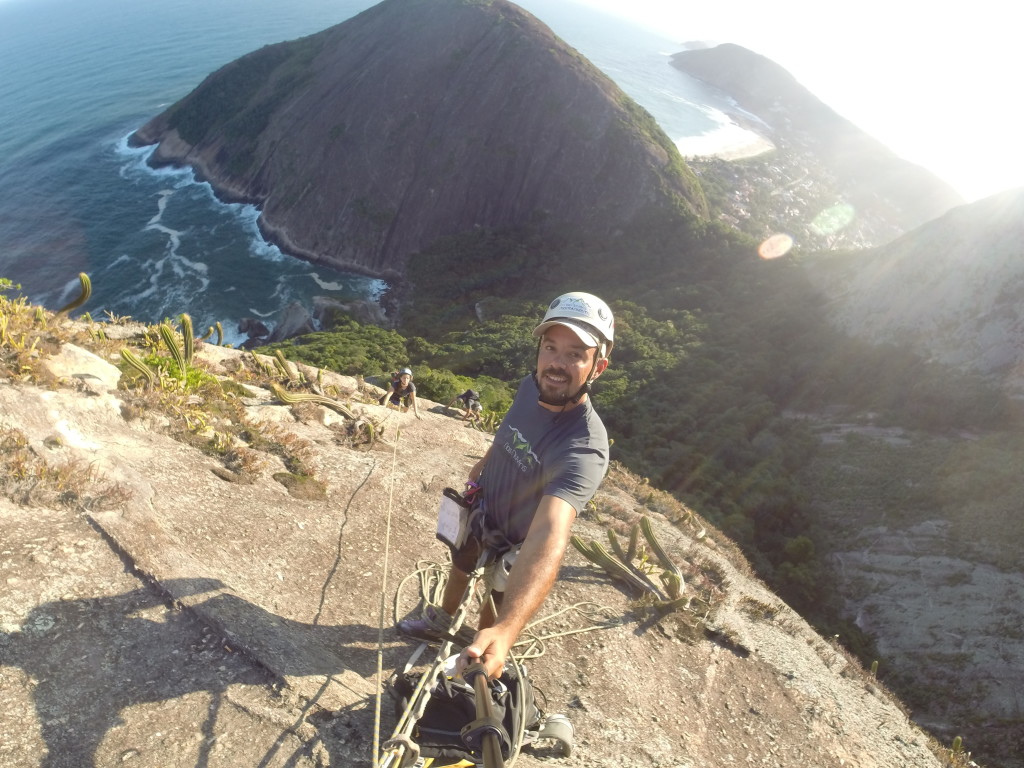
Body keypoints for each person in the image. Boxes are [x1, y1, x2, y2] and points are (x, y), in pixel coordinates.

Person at [399, 292, 614, 679]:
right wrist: (479, 471)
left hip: (519, 541)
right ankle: (442, 620)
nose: (557, 364)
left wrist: (508, 629)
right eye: (550, 347)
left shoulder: (583, 447)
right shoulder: (530, 386)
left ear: (598, 366)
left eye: (575, 354)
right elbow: (507, 433)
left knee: (495, 597)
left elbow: (550, 532)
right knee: (461, 564)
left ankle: (480, 647)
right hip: (485, 507)